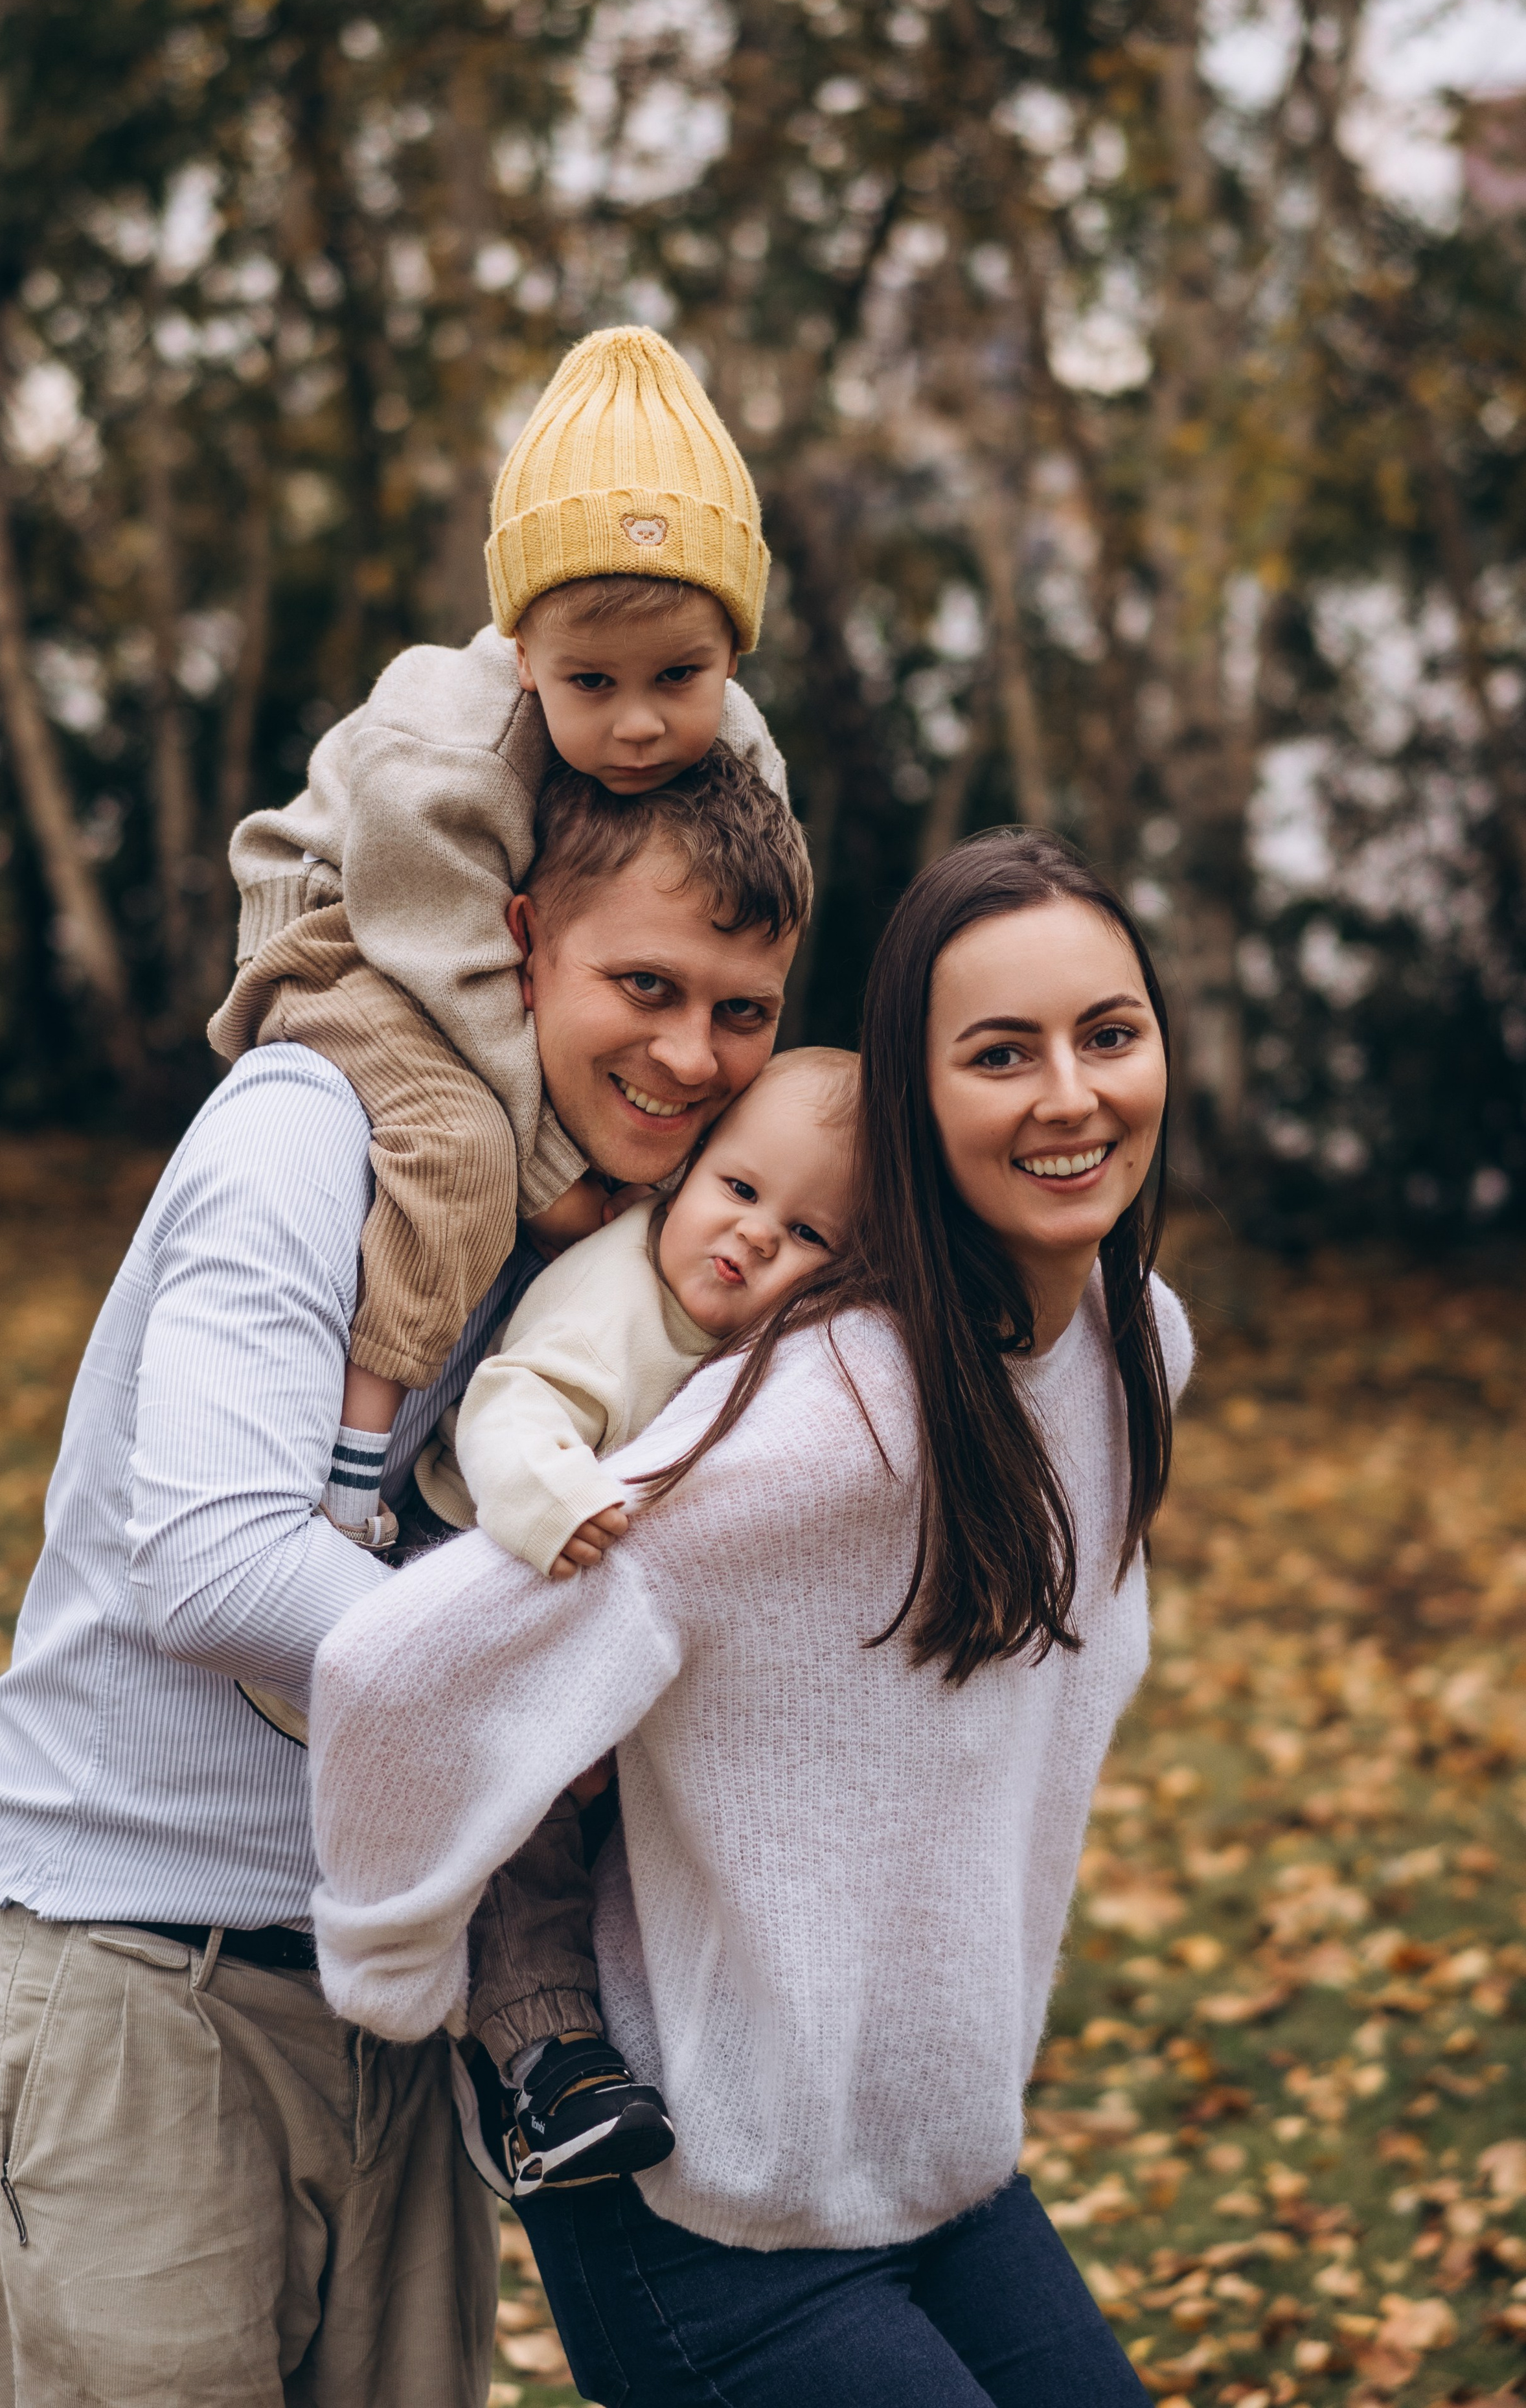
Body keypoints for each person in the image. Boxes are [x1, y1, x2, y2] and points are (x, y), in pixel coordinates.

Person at [0, 751, 810, 2408]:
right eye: (645, 984)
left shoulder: (622, 1227)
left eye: (742, 1010)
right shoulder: (310, 1128)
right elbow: (209, 1563)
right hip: (146, 1975)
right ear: (517, 941)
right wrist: (563, 1680)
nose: (692, 1055)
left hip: (401, 1989)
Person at [308, 828, 1193, 2406]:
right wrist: (392, 1960)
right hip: (704, 2202)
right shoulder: (821, 1421)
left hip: (940, 2165)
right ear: (914, 1116)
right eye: (1000, 1054)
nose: (1069, 1095)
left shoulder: (1132, 1347)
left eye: (1107, 1035)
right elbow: (401, 1668)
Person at [209, 321, 784, 1561]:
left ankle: (523, 1462)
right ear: (523, 655)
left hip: (486, 945)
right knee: (465, 1146)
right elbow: (453, 963)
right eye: (592, 684)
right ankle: (352, 1481)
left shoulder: (734, 742)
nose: (639, 724)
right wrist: (548, 1178)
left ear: (737, 651)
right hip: (352, 939)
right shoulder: (446, 747)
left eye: (678, 677)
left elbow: (758, 905)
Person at [249, 1046, 860, 2203]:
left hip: (592, 1600)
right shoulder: (614, 1299)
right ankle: (546, 2066)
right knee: (520, 1828)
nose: (757, 1236)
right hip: (481, 1551)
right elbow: (512, 1407)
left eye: (812, 1235)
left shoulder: (755, 1328)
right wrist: (555, 1499)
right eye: (739, 1189)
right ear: (684, 1178)